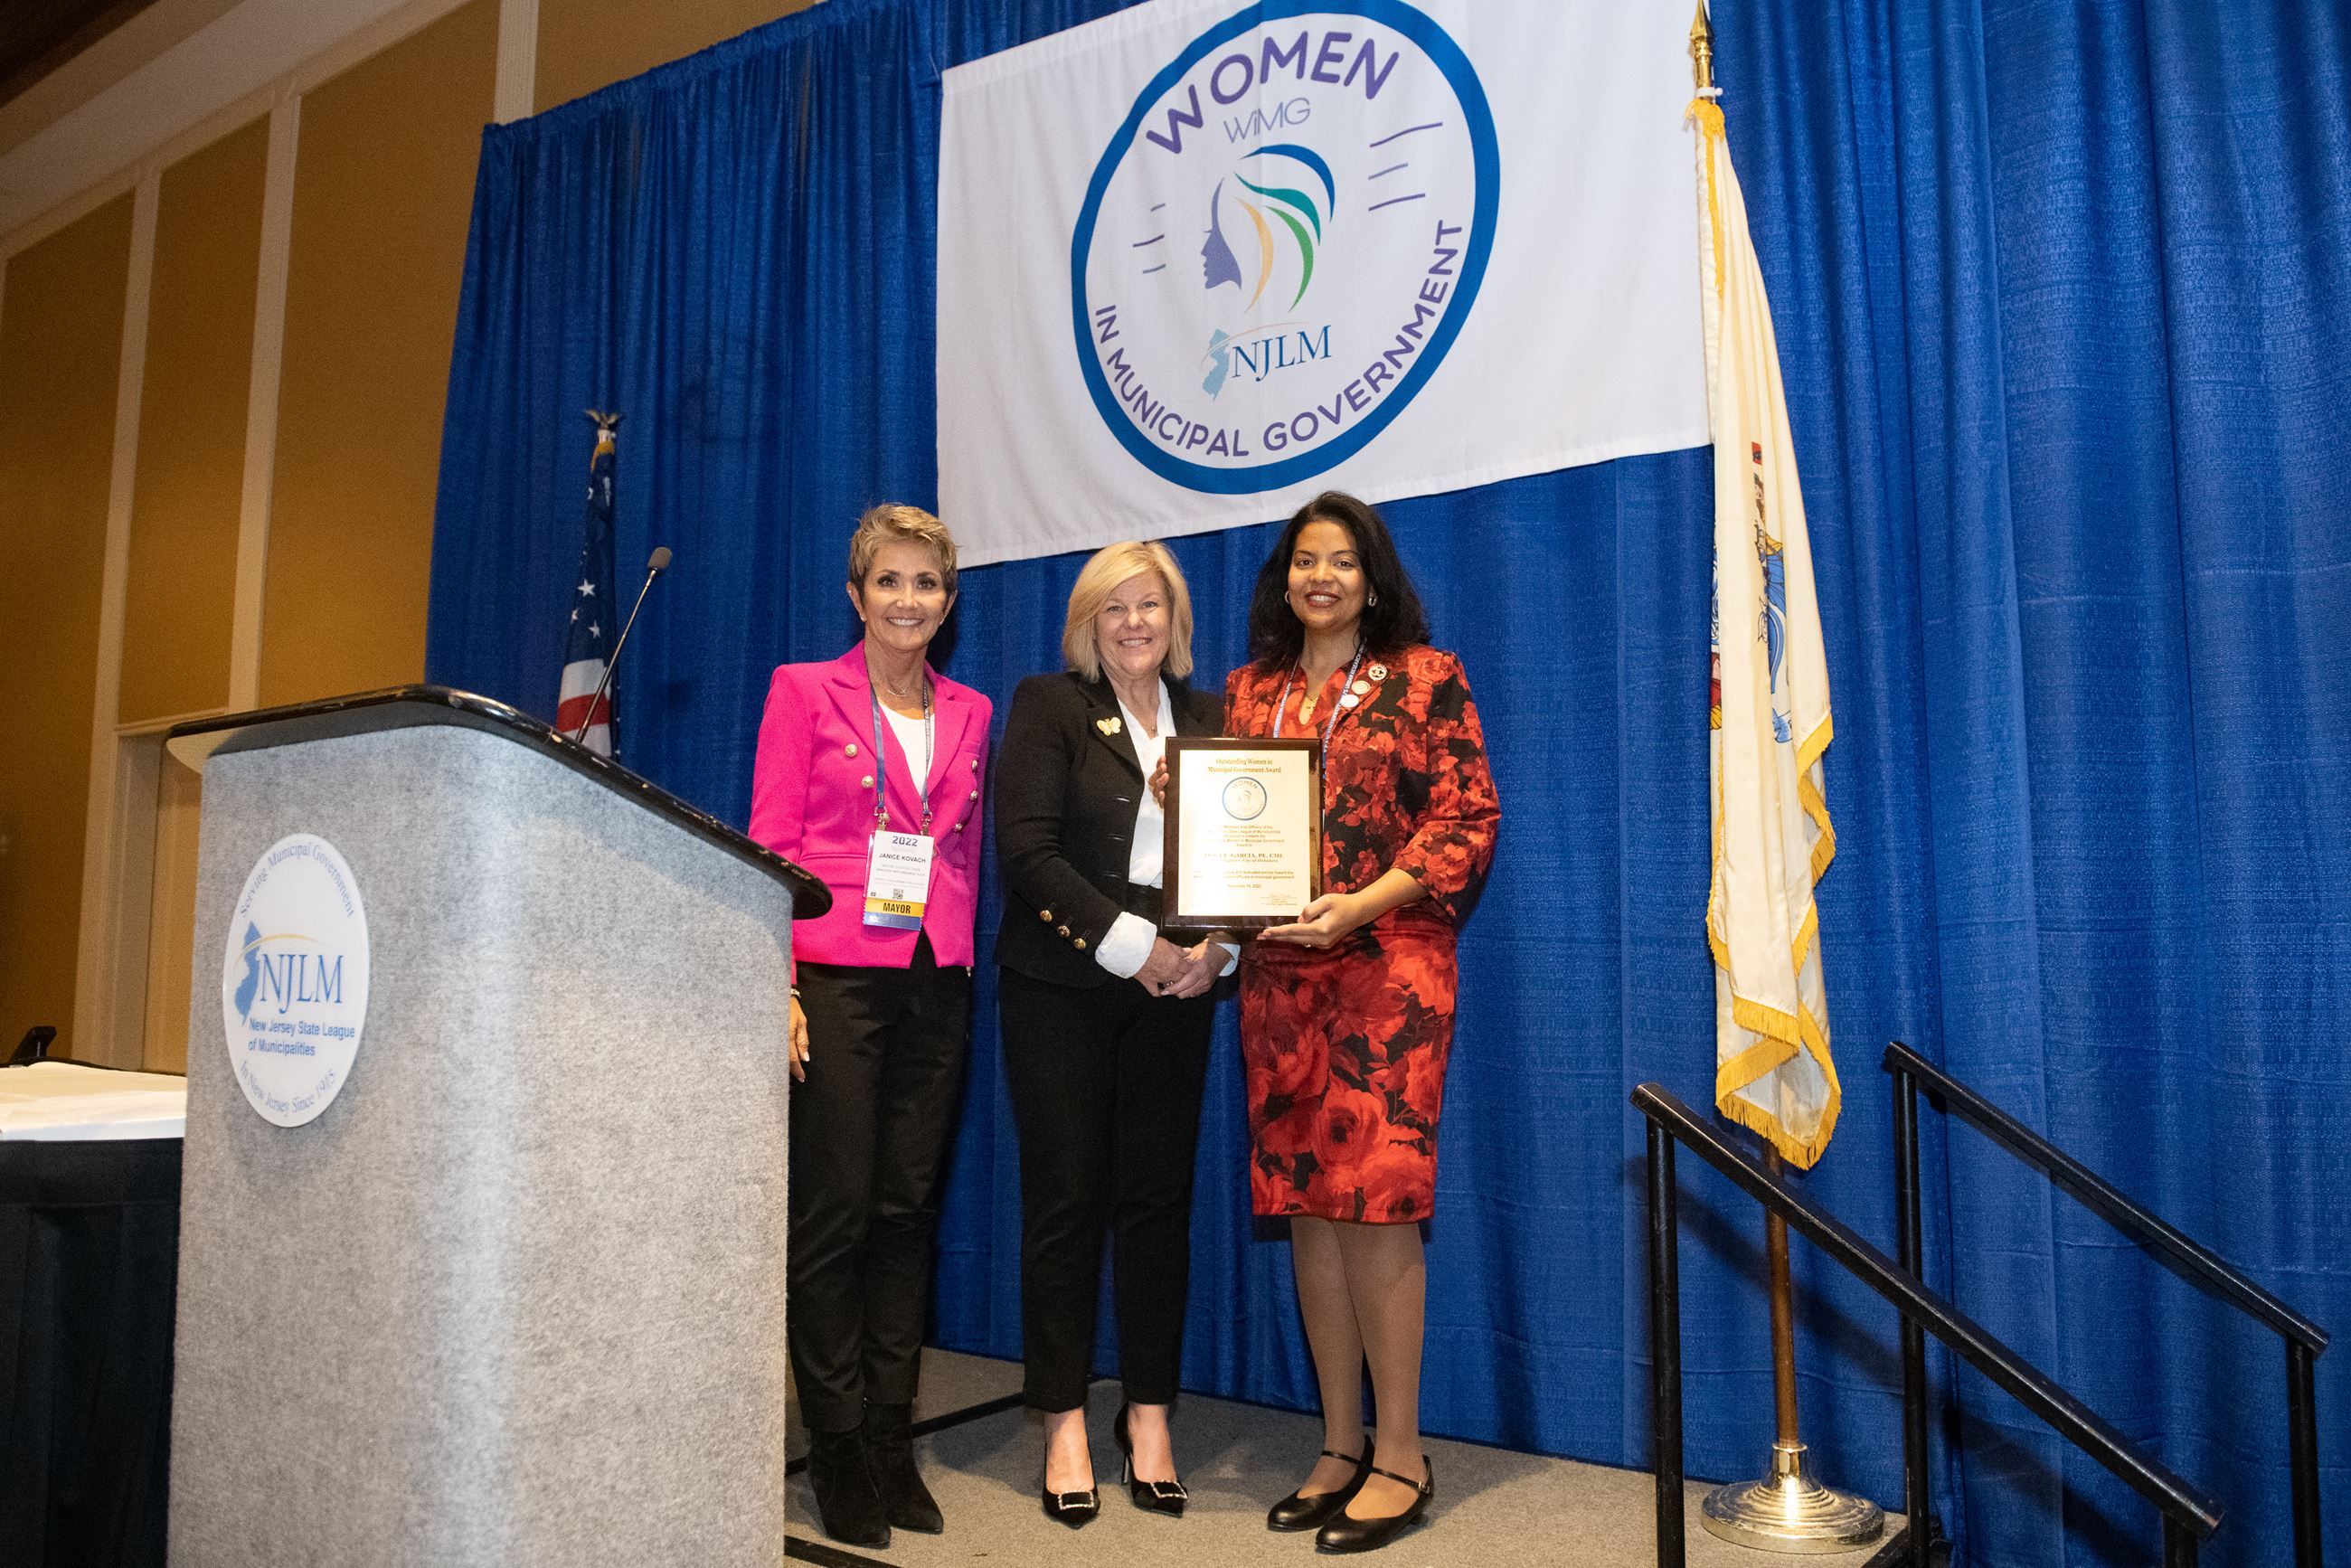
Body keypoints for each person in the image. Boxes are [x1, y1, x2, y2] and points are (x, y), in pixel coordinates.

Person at [1221, 492, 1498, 1554]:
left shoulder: (1425, 678)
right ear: (1282, 578)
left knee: (1375, 1206)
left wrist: (1367, 900)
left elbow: (1466, 819)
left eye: (1339, 561)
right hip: (1278, 978)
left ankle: (1401, 1454)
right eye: (1303, 561)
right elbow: (1225, 822)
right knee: (1305, 1206)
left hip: (1390, 973)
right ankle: (1336, 1446)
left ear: (1370, 578)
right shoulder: (1251, 693)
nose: (1319, 577)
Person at [748, 504, 992, 1550]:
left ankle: (893, 1440)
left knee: (906, 1213)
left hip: (935, 979)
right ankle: (836, 1444)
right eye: (888, 582)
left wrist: (961, 953)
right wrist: (778, 986)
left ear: (947, 602)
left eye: (927, 585)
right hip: (835, 979)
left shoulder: (973, 710)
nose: (908, 601)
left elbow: (962, 855)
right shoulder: (803, 691)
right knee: (836, 1215)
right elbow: (769, 845)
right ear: (857, 596)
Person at [993, 541, 1232, 1528]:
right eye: (1114, 607)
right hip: (1062, 986)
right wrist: (1133, 945)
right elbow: (1027, 852)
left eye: (1151, 605)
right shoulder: (1048, 705)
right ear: (1087, 622)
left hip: (1181, 991)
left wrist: (1218, 949)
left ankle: (1148, 1419)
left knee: (1155, 1209)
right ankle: (1059, 1422)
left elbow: (1251, 855)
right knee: (1064, 1205)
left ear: (1176, 620)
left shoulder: (1214, 718)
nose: (1134, 622)